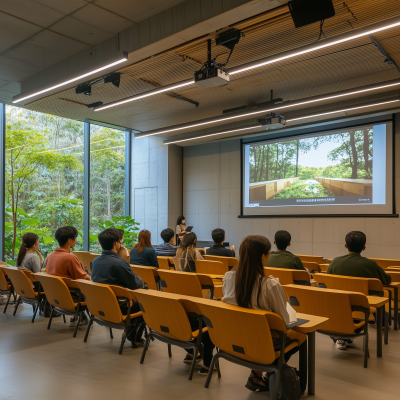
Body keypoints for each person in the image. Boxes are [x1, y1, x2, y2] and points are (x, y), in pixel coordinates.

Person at [222, 235, 306, 392]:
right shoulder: (270, 285)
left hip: (232, 336)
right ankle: (273, 373)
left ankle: (257, 374)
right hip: (261, 341)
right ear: (262, 256)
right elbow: (284, 321)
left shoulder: (228, 277)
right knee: (302, 336)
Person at [327, 231, 392, 350]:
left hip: (336, 309)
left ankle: (342, 335)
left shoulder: (334, 262)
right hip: (362, 309)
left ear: (345, 246)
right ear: (364, 247)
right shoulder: (371, 264)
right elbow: (387, 280)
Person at [91, 228, 145, 347]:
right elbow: (134, 285)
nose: (122, 245)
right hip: (119, 306)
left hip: (100, 305)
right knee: (145, 303)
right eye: (121, 242)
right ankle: (135, 337)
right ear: (116, 243)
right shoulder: (120, 263)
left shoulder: (95, 261)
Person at [45, 226, 90, 327]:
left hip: (54, 296)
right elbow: (82, 278)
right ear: (70, 240)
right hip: (71, 297)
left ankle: (80, 316)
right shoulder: (70, 257)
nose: (76, 240)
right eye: (75, 238)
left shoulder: (50, 256)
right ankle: (81, 314)